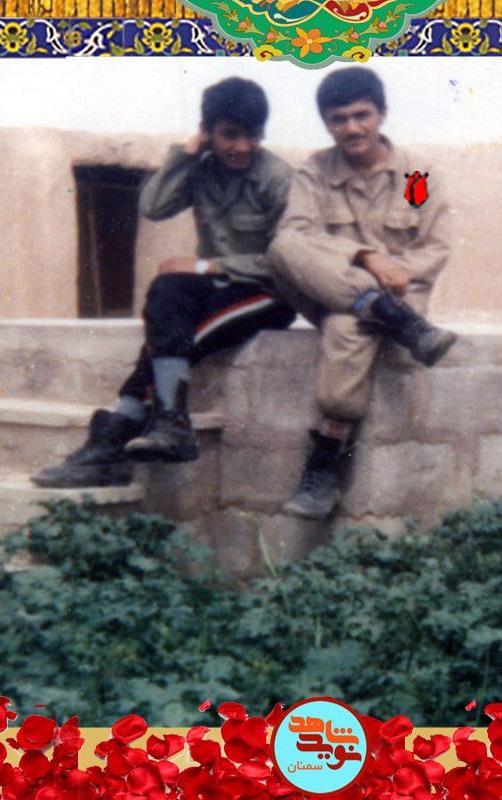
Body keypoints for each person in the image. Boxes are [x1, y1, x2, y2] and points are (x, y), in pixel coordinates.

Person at [33, 77, 295, 488]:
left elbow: (288, 260)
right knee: (167, 290)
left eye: (253, 135)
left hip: (268, 293)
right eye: (230, 135)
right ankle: (162, 424)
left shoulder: (278, 178)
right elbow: (153, 206)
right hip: (220, 289)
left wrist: (207, 266)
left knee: (176, 336)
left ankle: (118, 437)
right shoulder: (202, 169)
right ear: (208, 132)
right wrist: (185, 155)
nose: (243, 146)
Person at [266, 67, 457, 520]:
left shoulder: (414, 176)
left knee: (347, 326)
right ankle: (386, 315)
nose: (352, 128)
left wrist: (393, 273)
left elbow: (434, 246)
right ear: (326, 124)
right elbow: (297, 235)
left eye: (361, 115)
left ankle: (325, 466)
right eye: (339, 119)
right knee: (282, 246)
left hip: (401, 293)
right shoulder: (315, 172)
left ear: (381, 114)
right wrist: (366, 258)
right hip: (335, 288)